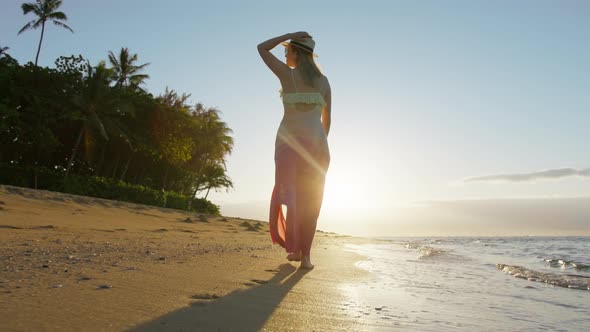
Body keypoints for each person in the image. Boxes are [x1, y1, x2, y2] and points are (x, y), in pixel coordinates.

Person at [257, 32, 331, 269]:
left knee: (292, 197)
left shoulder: (286, 75)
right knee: (310, 201)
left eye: (288, 49)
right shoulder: (324, 82)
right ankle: (305, 256)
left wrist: (287, 35)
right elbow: (327, 121)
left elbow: (261, 48)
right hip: (317, 147)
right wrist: (317, 143)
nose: (285, 53)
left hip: (288, 146)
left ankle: (297, 250)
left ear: (297, 53)